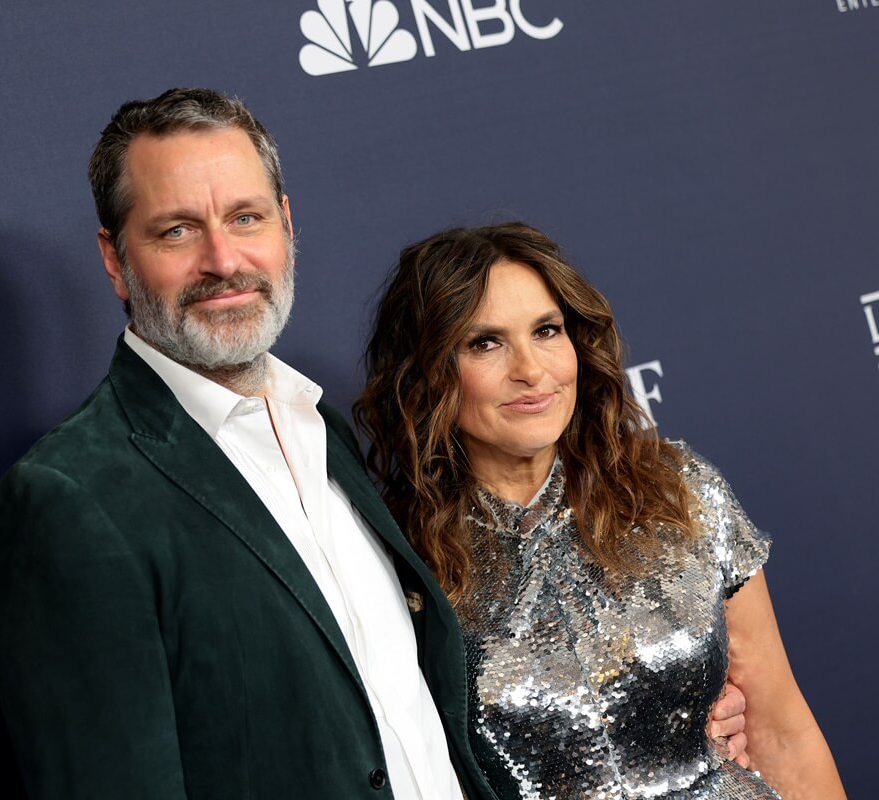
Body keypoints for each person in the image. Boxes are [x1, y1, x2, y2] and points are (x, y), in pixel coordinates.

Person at [0, 88, 505, 799]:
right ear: (114, 258)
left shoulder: (321, 425)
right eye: (176, 231)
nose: (223, 260)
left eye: (245, 218)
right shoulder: (68, 498)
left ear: (285, 224)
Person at [355, 223, 846, 800]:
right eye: (484, 342)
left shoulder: (674, 490)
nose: (531, 370)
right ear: (427, 372)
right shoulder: (396, 562)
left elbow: (779, 728)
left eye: (547, 331)